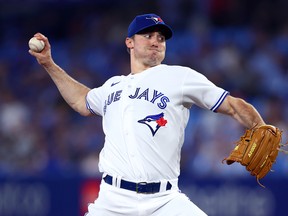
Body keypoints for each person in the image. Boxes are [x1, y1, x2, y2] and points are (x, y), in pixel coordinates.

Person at [29, 13, 265, 216]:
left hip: (165, 200)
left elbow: (233, 106)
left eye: (161, 38)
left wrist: (260, 127)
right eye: (148, 36)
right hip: (113, 201)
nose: (156, 41)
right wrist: (48, 63)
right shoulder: (113, 86)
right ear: (129, 42)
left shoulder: (180, 77)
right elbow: (82, 101)